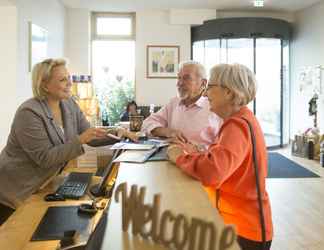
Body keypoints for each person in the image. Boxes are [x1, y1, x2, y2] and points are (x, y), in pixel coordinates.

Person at [0, 58, 135, 225]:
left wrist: (118, 133)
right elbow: (45, 158)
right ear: (44, 85)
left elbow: (89, 134)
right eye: (63, 80)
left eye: (68, 78)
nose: (69, 83)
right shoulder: (29, 113)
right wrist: (80, 139)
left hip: (42, 186)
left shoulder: (68, 103)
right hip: (15, 192)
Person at [167, 63, 273, 250]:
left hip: (245, 229)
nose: (206, 94)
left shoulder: (236, 126)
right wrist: (200, 154)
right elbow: (227, 161)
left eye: (210, 88)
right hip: (241, 223)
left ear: (229, 93)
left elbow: (214, 172)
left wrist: (179, 157)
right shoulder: (241, 120)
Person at [142, 61, 222, 147]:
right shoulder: (174, 103)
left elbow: (222, 147)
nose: (179, 83)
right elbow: (147, 123)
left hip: (200, 158)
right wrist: (167, 131)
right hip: (169, 155)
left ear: (203, 83)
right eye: (179, 78)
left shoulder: (215, 107)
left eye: (186, 78)